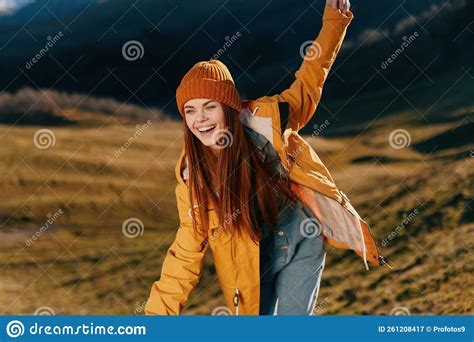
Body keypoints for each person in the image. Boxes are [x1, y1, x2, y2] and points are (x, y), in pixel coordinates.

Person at [145, 0, 383, 316]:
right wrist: (155, 319)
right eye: (190, 110)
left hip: (302, 240)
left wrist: (334, 22)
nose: (200, 119)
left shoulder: (269, 122)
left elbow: (310, 80)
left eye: (209, 106)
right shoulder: (194, 180)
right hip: (255, 265)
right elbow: (185, 254)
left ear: (229, 108)